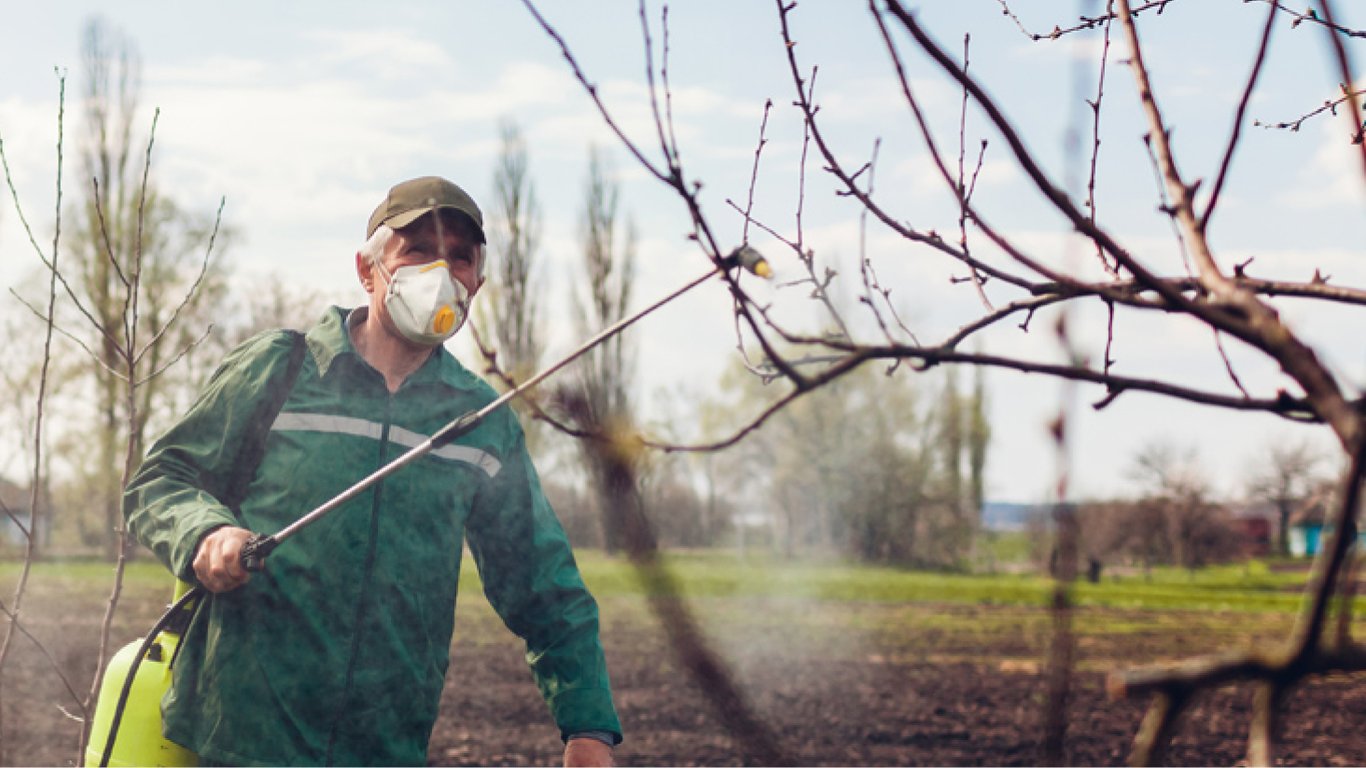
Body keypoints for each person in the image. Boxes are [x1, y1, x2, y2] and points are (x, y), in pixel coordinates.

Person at [124, 176, 622, 767]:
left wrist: (587, 727)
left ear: (477, 285)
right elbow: (162, 481)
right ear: (368, 269)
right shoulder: (281, 370)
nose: (441, 273)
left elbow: (545, 586)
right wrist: (207, 532)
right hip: (244, 738)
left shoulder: (479, 422)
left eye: (460, 258)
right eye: (418, 251)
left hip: (386, 745)